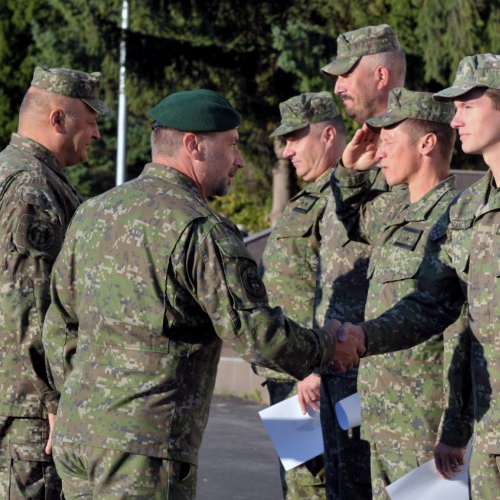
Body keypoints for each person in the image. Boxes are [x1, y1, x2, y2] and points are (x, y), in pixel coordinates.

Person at [41, 89, 364, 498]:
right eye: (231, 145)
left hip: (79, 439)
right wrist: (326, 349)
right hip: (143, 451)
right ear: (193, 145)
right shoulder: (200, 229)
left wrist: (69, 403)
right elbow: (257, 336)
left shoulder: (93, 213)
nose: (239, 161)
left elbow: (59, 324)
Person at [340, 54, 500, 498]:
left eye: (467, 105)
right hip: (488, 436)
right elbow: (436, 307)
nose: (455, 118)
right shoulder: (468, 209)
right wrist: (365, 338)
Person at [0, 66, 110, 499]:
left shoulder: (15, 171)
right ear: (57, 119)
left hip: (20, 399)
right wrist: (55, 400)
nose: (98, 134)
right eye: (91, 122)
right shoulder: (29, 185)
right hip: (30, 409)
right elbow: (31, 308)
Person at [333, 87, 474, 497]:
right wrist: (349, 170)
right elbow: (351, 217)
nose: (380, 154)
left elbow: (460, 332)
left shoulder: (456, 217)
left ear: (427, 143)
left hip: (424, 424)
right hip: (382, 416)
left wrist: (454, 427)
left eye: (389, 142)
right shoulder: (396, 210)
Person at [312, 24, 407, 500]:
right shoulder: (355, 165)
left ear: (382, 75)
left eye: (346, 74)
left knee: (383, 488)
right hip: (327, 367)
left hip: (386, 373)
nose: (337, 87)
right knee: (324, 485)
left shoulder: (410, 155)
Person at [254, 91, 349, 499]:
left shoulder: (344, 200)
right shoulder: (306, 200)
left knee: (316, 486)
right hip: (289, 382)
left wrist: (313, 368)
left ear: (329, 134)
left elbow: (343, 287)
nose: (286, 148)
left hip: (314, 383)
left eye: (296, 137)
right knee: (299, 487)